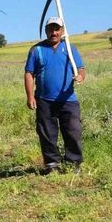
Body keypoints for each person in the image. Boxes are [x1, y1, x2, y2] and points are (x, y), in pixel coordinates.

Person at [24, 17, 86, 174]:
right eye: (51, 29)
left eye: (57, 29)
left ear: (62, 31)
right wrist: (30, 96)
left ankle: (73, 163)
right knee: (47, 133)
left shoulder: (70, 49)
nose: (54, 32)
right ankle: (52, 164)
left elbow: (81, 68)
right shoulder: (36, 50)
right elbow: (29, 73)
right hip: (44, 99)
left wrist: (80, 76)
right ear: (46, 31)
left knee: (73, 131)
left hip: (68, 99)